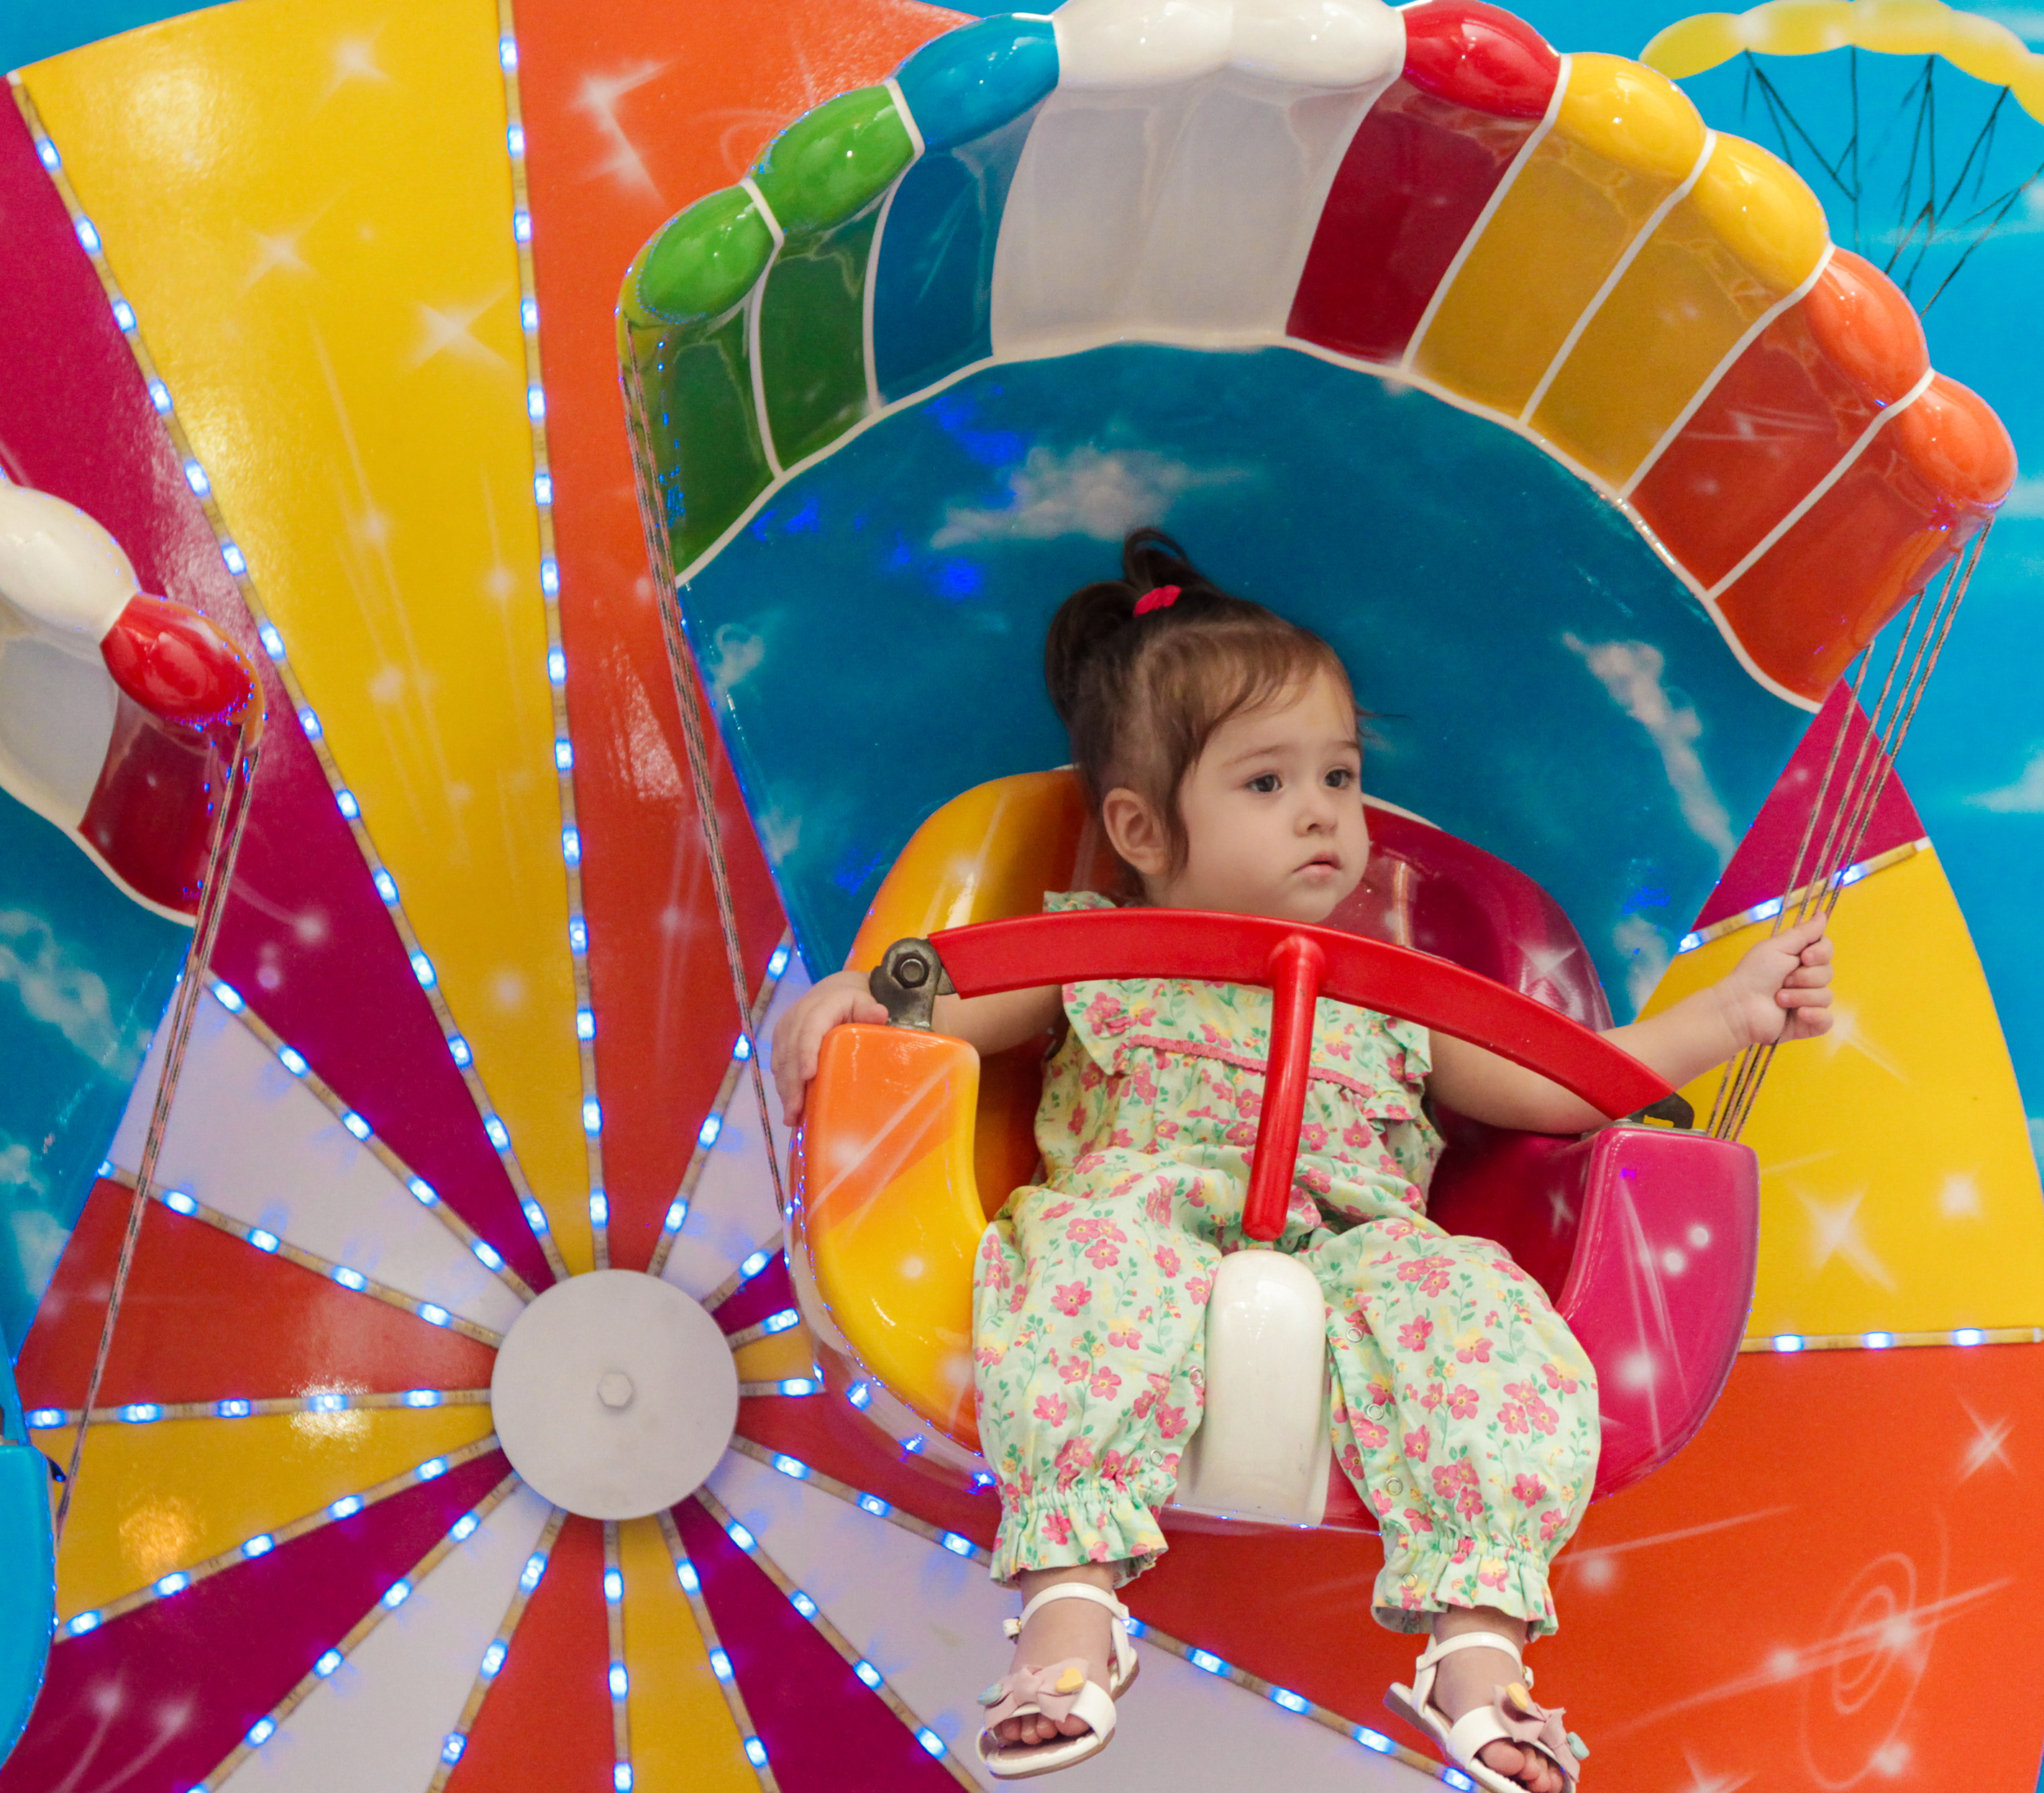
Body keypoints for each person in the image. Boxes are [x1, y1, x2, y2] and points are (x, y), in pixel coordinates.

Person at [770, 531, 1831, 1788]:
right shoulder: (1099, 951)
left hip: (1356, 1251)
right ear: (1141, 827)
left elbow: (1559, 1089)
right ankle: (1069, 1611)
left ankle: (1478, 1650)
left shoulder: (1396, 996)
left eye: (1341, 773)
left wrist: (1726, 1018)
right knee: (1075, 1270)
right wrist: (851, 1000)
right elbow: (940, 1008)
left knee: (1479, 1312)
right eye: (1267, 784)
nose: (1326, 811)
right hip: (1148, 1210)